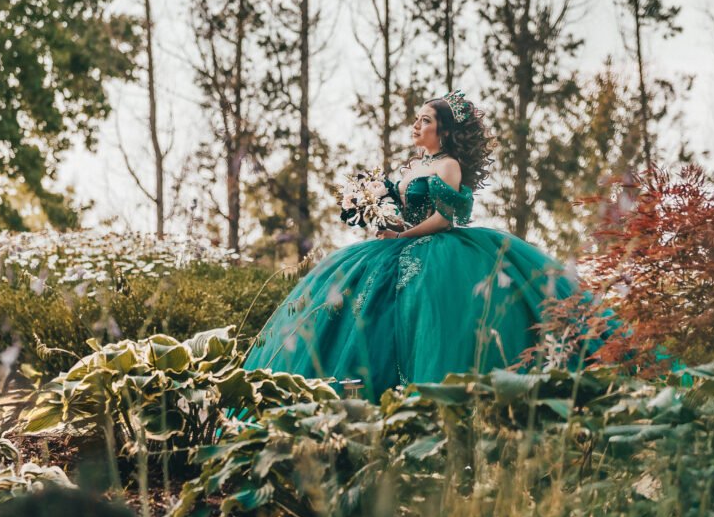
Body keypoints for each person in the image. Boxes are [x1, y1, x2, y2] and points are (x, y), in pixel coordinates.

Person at [241, 90, 586, 399]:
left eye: (426, 120)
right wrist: (382, 214)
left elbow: (444, 218)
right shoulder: (415, 166)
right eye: (417, 119)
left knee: (429, 315)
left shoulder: (449, 165)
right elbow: (401, 208)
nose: (416, 125)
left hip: (438, 250)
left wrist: (402, 235)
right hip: (396, 244)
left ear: (444, 131)